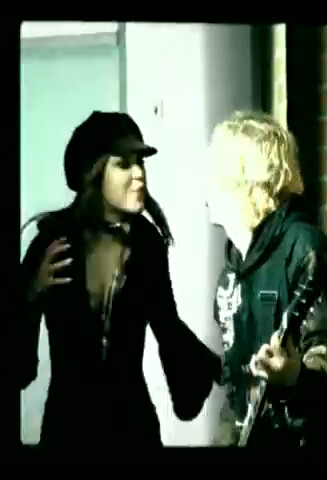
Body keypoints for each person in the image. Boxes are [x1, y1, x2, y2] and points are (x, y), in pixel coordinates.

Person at [19, 111, 222, 452]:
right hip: (67, 428)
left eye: (140, 162)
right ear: (94, 172)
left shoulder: (146, 243)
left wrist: (217, 367)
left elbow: (167, 325)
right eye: (124, 164)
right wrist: (31, 292)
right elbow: (17, 361)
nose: (139, 173)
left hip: (132, 427)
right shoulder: (53, 241)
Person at [206, 111, 327, 448]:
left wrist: (295, 376)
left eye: (217, 173)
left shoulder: (305, 250)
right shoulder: (234, 266)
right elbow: (237, 393)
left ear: (247, 182)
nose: (208, 185)